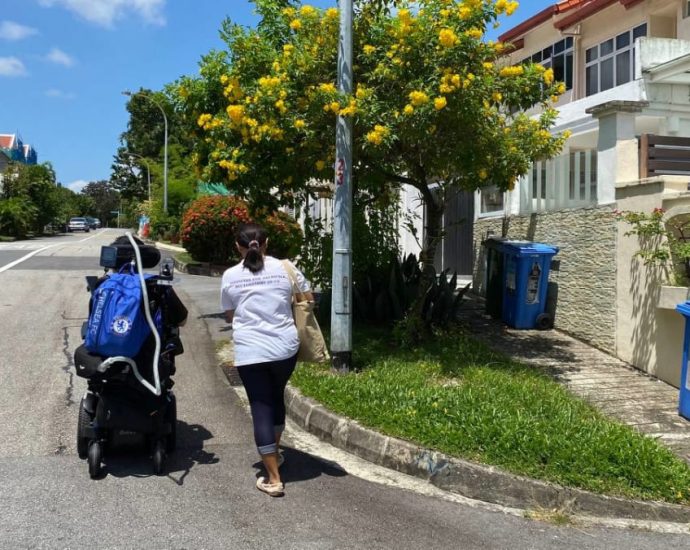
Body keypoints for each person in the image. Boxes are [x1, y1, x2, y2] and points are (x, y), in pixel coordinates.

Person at [220, 222, 312, 497]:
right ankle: (276, 450)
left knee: (260, 405)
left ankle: (273, 478)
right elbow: (307, 298)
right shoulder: (286, 267)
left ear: (238, 247)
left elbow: (229, 314)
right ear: (267, 243)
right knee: (275, 396)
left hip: (251, 351)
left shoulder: (230, 275)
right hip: (284, 348)